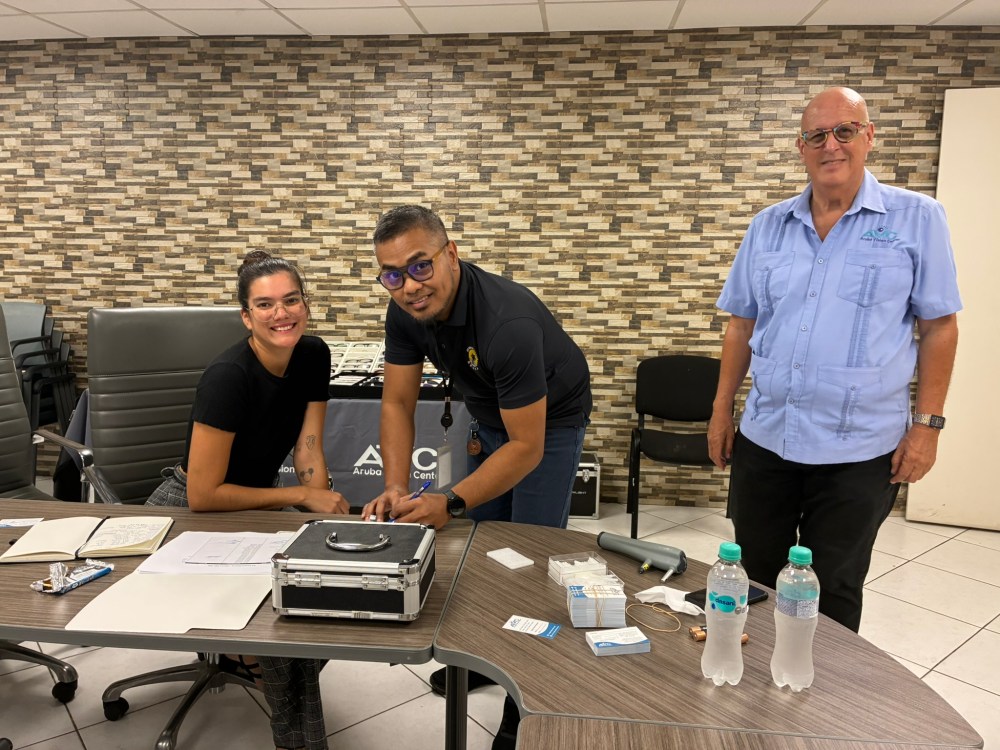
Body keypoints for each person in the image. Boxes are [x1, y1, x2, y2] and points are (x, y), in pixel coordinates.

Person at [708, 87, 961, 633]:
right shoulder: (768, 227)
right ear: (801, 147)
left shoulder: (917, 220)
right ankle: (750, 691)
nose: (832, 145)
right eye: (817, 135)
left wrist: (928, 426)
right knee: (752, 576)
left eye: (845, 131)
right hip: (767, 438)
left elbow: (939, 326)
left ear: (868, 137)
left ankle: (820, 706)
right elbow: (741, 324)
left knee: (834, 585)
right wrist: (721, 410)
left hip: (860, 449)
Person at [361, 205, 592, 750]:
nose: (409, 287)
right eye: (391, 275)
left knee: (531, 555)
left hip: (548, 424)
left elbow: (526, 446)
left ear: (452, 254)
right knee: (483, 554)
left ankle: (526, 706)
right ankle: (488, 659)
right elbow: (396, 401)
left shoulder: (505, 321)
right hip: (490, 417)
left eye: (420, 267)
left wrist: (452, 502)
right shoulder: (406, 309)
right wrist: (395, 483)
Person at [147, 250, 349, 750]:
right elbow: (203, 494)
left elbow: (308, 445)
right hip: (184, 509)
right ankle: (298, 737)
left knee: (317, 592)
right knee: (281, 623)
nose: (282, 314)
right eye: (265, 305)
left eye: (291, 300)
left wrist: (317, 502)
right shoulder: (228, 377)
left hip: (253, 504)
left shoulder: (313, 354)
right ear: (246, 316)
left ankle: (246, 656)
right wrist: (301, 495)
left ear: (305, 304)